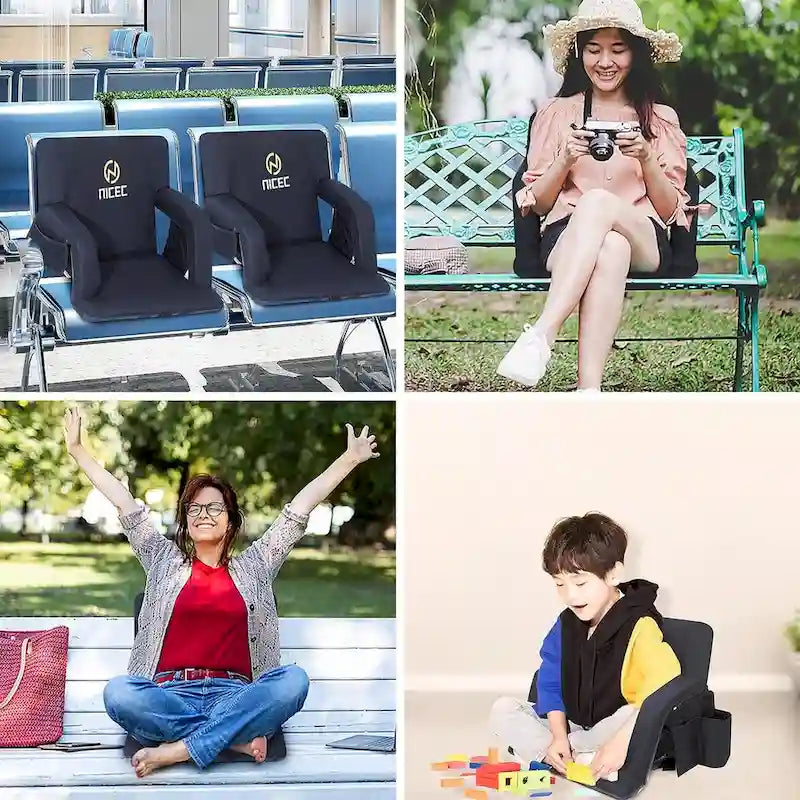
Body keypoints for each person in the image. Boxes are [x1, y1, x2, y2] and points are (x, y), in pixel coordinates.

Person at [62, 407, 380, 778]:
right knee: (120, 693)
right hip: (170, 696)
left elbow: (300, 509)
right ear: (185, 519)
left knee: (293, 682)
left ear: (231, 518)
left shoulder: (256, 565)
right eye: (193, 508)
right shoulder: (163, 559)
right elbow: (124, 503)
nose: (203, 514)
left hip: (238, 696)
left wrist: (349, 458)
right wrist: (78, 451)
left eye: (214, 506)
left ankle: (179, 750)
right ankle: (232, 741)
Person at [497, 0, 690, 390]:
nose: (605, 61)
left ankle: (542, 335)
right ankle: (589, 393)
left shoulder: (659, 118)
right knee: (610, 247)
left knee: (601, 205)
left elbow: (672, 211)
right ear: (580, 53)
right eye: (594, 49)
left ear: (635, 55)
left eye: (618, 49)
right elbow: (539, 203)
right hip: (567, 239)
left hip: (645, 238)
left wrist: (647, 159)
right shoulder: (556, 113)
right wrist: (565, 158)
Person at [488, 513, 680, 781]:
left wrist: (620, 741)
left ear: (613, 574)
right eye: (559, 584)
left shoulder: (640, 625)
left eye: (580, 583)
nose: (571, 595)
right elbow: (550, 682)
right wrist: (557, 737)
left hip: (613, 725)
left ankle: (574, 754)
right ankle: (568, 755)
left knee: (633, 715)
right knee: (503, 709)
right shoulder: (565, 624)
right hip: (573, 725)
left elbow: (663, 685)